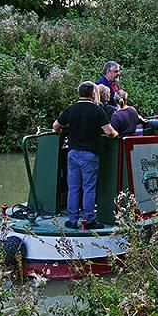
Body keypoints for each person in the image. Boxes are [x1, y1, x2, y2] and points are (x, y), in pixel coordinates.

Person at [52, 81, 118, 230]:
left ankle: (72, 220)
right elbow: (109, 131)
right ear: (93, 94)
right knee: (88, 188)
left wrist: (59, 132)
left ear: (79, 93)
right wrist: (115, 134)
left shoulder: (71, 109)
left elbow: (56, 125)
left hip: (73, 153)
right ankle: (89, 220)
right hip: (90, 155)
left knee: (73, 188)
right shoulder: (96, 110)